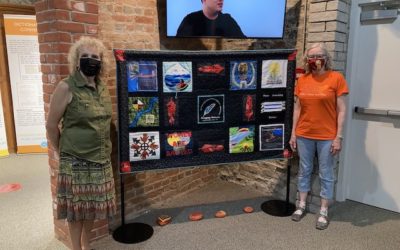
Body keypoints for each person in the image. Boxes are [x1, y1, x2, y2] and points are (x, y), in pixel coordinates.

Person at [46, 36, 116, 250]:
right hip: (76, 161)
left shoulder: (102, 88)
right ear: (76, 61)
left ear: (101, 61)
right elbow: (51, 125)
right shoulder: (66, 87)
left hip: (100, 159)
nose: (90, 60)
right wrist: (62, 152)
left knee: (91, 208)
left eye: (95, 57)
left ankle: (87, 245)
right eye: (85, 56)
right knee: (76, 213)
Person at [289, 43, 349, 230]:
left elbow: (342, 110)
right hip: (304, 134)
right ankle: (301, 205)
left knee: (326, 173)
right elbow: (297, 109)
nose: (315, 59)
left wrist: (338, 136)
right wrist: (293, 133)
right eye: (312, 56)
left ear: (326, 57)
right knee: (304, 169)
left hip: (326, 136)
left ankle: (323, 211)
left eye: (319, 55)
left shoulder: (336, 78)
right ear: (307, 60)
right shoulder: (303, 80)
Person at [176, 0, 246, 38]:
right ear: (204, 0)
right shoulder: (190, 20)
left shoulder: (228, 20)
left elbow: (245, 45)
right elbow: (178, 47)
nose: (221, 0)